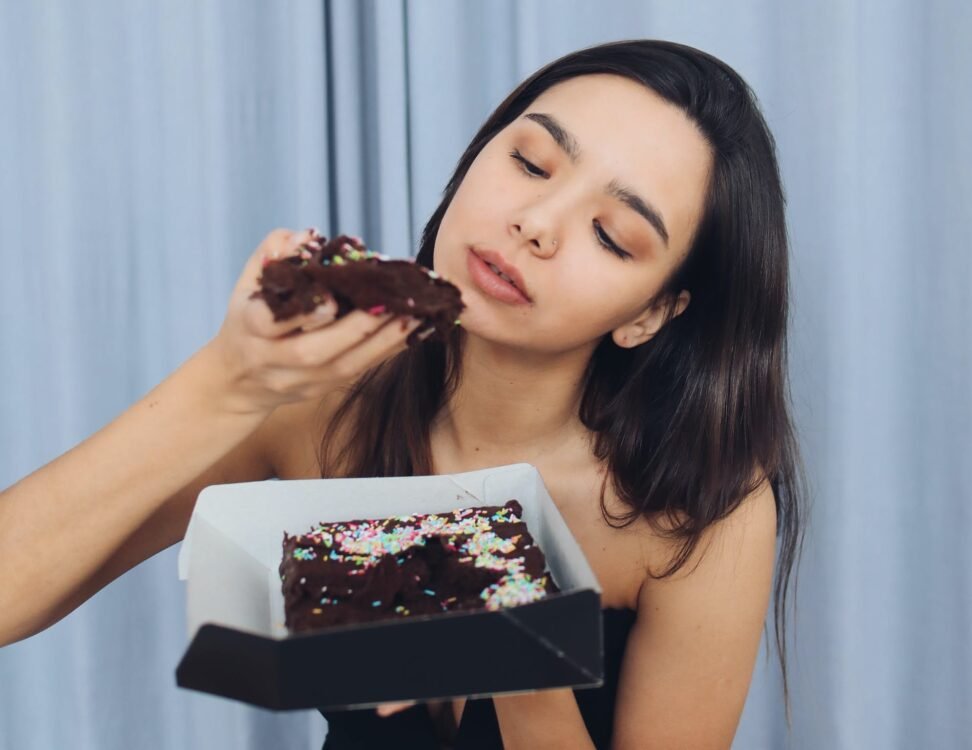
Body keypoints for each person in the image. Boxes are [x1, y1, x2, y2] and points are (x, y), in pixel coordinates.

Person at [0, 39, 805, 749]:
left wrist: (515, 644)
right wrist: (228, 381)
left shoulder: (699, 510)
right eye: (529, 163)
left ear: (651, 313)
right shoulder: (318, 397)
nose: (537, 223)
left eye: (611, 235)